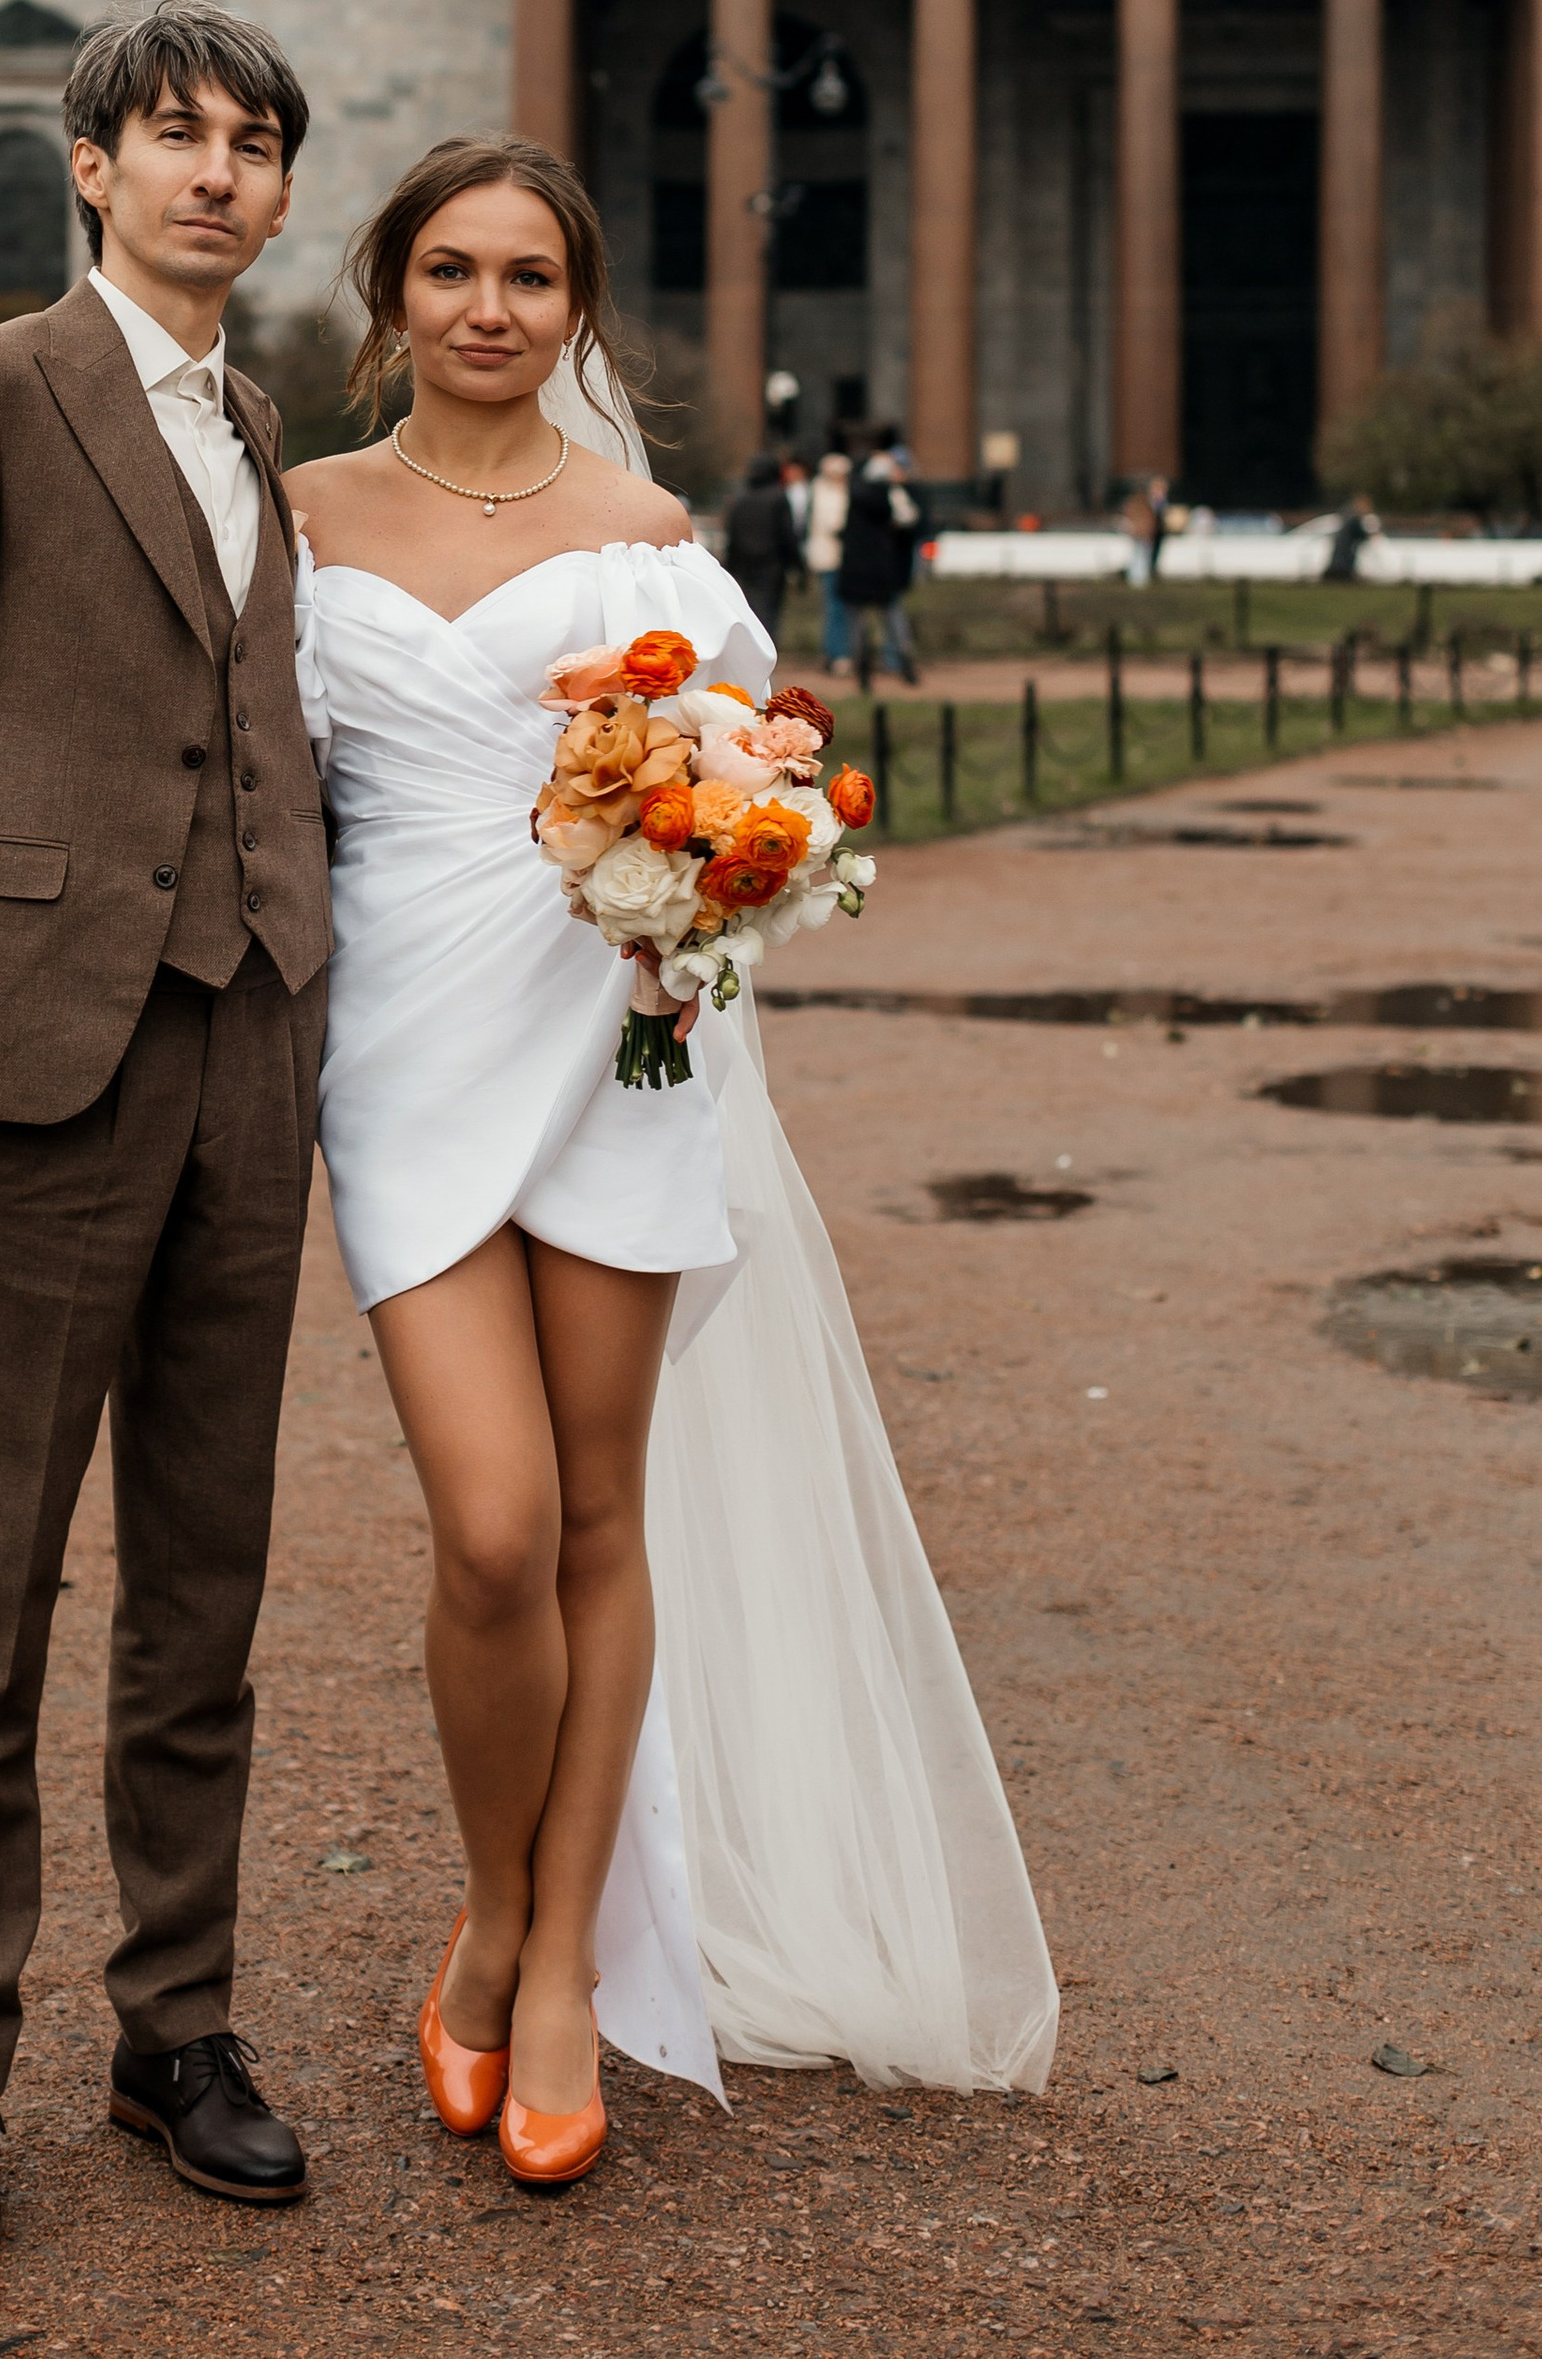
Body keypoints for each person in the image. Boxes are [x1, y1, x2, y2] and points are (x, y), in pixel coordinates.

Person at [286, 139, 1056, 2191]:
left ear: (579, 309)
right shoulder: (301, 517)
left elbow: (753, 792)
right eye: (451, 269)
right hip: (405, 1054)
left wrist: (717, 872)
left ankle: (556, 1971)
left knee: (598, 1515)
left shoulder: (643, 540)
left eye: (529, 276)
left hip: (619, 1042)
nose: (488, 308)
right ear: (391, 294)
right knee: (492, 1532)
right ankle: (498, 1902)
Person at [0, 3, 332, 2267]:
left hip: (246, 1054)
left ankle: (173, 2027)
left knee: (204, 1587)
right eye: (175, 136)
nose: (218, 171)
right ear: (90, 167)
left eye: (254, 143)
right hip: (30, 1061)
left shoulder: (264, 421)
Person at [837, 435, 920, 689]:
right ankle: (907, 668)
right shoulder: (889, 495)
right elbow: (908, 518)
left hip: (855, 568)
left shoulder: (854, 493)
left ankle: (862, 672)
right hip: (881, 568)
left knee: (857, 625)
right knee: (893, 620)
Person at [720, 450, 797, 654]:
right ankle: (766, 652)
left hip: (743, 565)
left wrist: (730, 566)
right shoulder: (778, 497)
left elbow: (732, 533)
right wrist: (796, 564)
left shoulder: (741, 498)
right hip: (771, 565)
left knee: (748, 610)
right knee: (768, 611)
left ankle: (749, 651)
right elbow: (786, 533)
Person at [802, 445, 853, 667]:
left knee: (839, 608)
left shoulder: (823, 490)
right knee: (836, 607)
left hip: (839, 557)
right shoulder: (824, 492)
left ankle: (837, 652)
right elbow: (834, 523)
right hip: (830, 557)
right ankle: (836, 653)